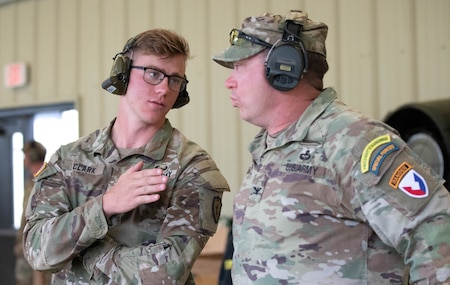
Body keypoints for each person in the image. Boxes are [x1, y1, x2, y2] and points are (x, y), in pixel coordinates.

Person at [212, 10, 450, 284]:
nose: (230, 81)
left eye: (240, 66)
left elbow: (436, 229)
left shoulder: (353, 140)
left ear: (283, 65)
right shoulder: (271, 145)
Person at [23, 29, 230, 285]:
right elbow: (37, 251)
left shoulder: (193, 167)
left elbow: (166, 273)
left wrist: (83, 252)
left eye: (175, 80)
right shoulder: (69, 158)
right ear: (122, 74)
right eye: (153, 74)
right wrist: (105, 205)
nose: (164, 88)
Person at [15, 141, 52, 285]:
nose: (24, 159)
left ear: (30, 157)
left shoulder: (47, 180)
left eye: (25, 156)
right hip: (25, 247)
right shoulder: (30, 181)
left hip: (39, 248)